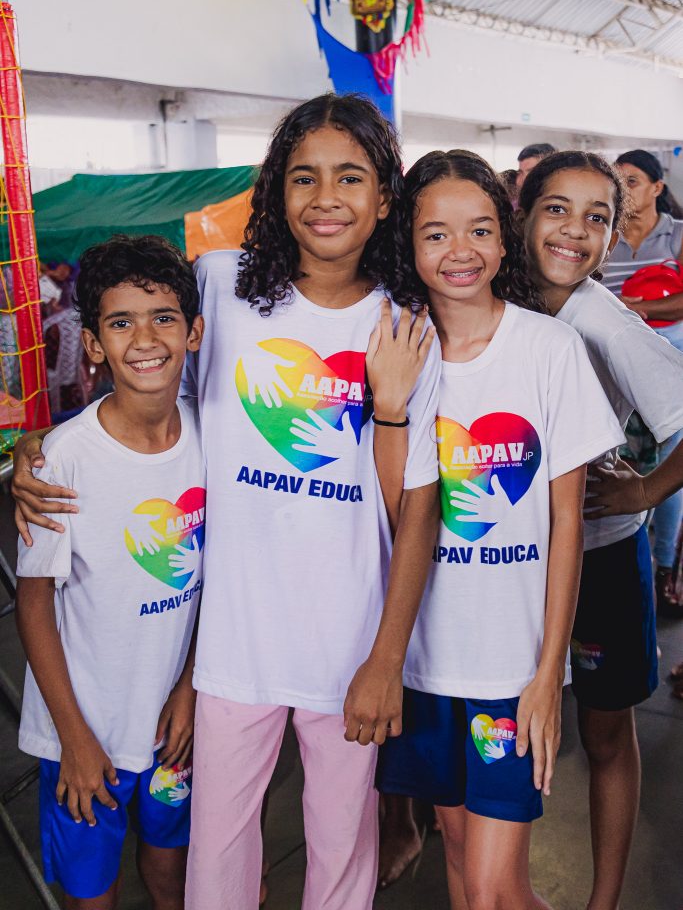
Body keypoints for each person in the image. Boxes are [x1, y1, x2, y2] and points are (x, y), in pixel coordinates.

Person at [13, 94, 442, 910]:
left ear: (386, 197)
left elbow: (418, 507)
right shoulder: (221, 284)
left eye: (350, 177)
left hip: (349, 645)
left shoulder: (404, 321)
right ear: (275, 191)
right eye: (303, 177)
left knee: (341, 852)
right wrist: (43, 444)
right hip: (229, 644)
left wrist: (388, 658)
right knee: (216, 858)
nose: (325, 198)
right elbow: (149, 384)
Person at [374, 149, 622, 910]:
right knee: (462, 863)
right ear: (408, 242)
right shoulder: (398, 350)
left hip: (510, 671)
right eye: (436, 234)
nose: (461, 251)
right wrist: (390, 404)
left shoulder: (548, 350)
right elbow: (398, 513)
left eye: (479, 229)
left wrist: (547, 674)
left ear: (504, 237)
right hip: (425, 668)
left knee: (489, 887)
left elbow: (567, 525)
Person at [15, 235, 206, 910]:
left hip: (170, 727)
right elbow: (34, 605)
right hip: (83, 731)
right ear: (93, 344)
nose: (145, 339)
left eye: (163, 318)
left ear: (193, 332)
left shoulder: (209, 435)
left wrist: (188, 688)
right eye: (121, 322)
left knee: (172, 877)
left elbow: (218, 580)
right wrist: (73, 738)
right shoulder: (65, 460)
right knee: (91, 895)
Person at [519, 150, 683, 910]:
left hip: (599, 560)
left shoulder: (604, 323)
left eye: (596, 217)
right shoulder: (490, 297)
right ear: (523, 214)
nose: (573, 231)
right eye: (556, 209)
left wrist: (644, 488)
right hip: (509, 561)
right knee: (501, 727)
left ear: (615, 237)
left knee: (606, 732)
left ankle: (604, 900)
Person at [608, 149, 683, 613]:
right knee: (621, 461)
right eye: (619, 181)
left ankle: (664, 565)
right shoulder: (607, 235)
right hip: (616, 360)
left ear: (657, 187)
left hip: (670, 354)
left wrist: (637, 310)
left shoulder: (676, 235)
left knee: (669, 458)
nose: (625, 190)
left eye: (632, 181)